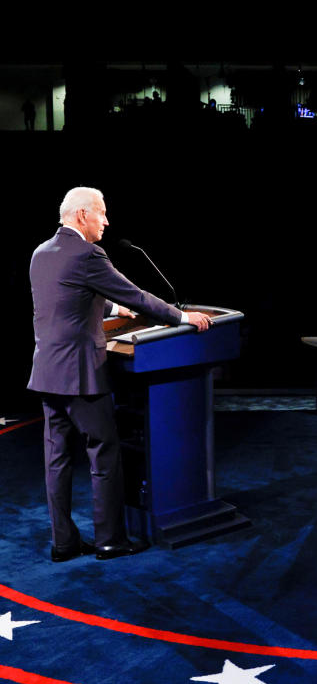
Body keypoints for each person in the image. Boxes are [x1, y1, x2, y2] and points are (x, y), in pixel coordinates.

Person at [28, 187, 211, 562]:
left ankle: (63, 543)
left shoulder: (41, 253)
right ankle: (111, 540)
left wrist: (110, 305)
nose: (106, 221)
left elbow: (66, 296)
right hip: (80, 374)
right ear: (82, 215)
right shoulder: (88, 253)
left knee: (57, 460)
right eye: (102, 213)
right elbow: (136, 294)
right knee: (104, 453)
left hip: (47, 373)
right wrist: (180, 316)